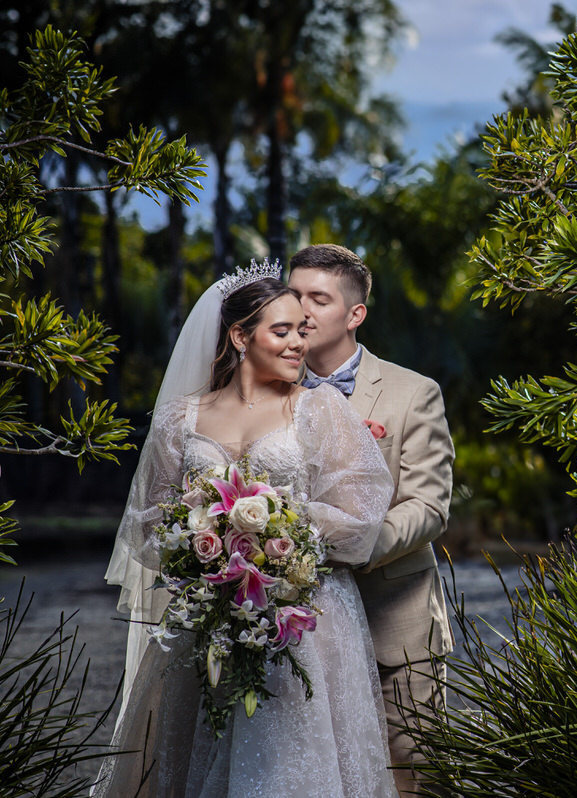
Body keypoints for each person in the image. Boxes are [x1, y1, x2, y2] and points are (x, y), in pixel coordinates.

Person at [95, 264, 399, 797]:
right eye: (281, 331)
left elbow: (361, 513)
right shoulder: (180, 419)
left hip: (306, 623)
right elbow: (148, 518)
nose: (297, 344)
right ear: (240, 336)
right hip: (209, 621)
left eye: (302, 330)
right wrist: (201, 545)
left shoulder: (321, 408)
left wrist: (278, 536)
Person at [287, 244, 454, 795]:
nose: (303, 310)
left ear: (355, 314)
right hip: (294, 625)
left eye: (319, 298)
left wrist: (354, 542)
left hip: (394, 619)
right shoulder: (264, 390)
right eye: (295, 295)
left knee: (414, 770)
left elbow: (428, 506)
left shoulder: (412, 393)